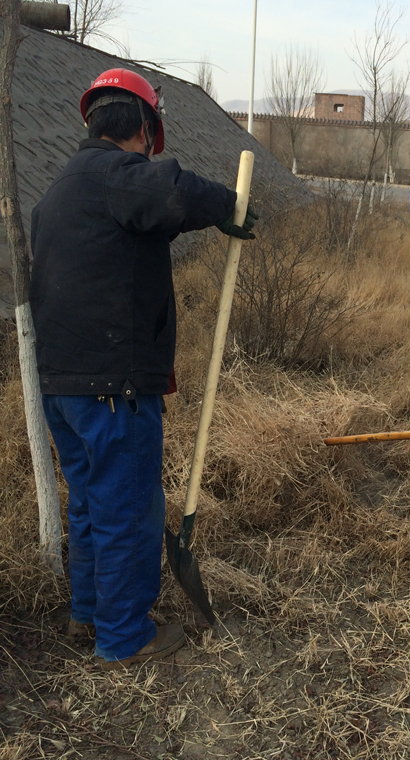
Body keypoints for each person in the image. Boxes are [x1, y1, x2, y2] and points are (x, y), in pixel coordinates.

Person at [29, 68, 257, 670]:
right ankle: (125, 636)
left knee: (90, 503)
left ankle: (88, 611)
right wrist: (228, 206)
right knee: (128, 509)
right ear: (145, 128)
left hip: (62, 388)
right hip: (113, 388)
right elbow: (172, 189)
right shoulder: (119, 175)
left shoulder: (56, 194)